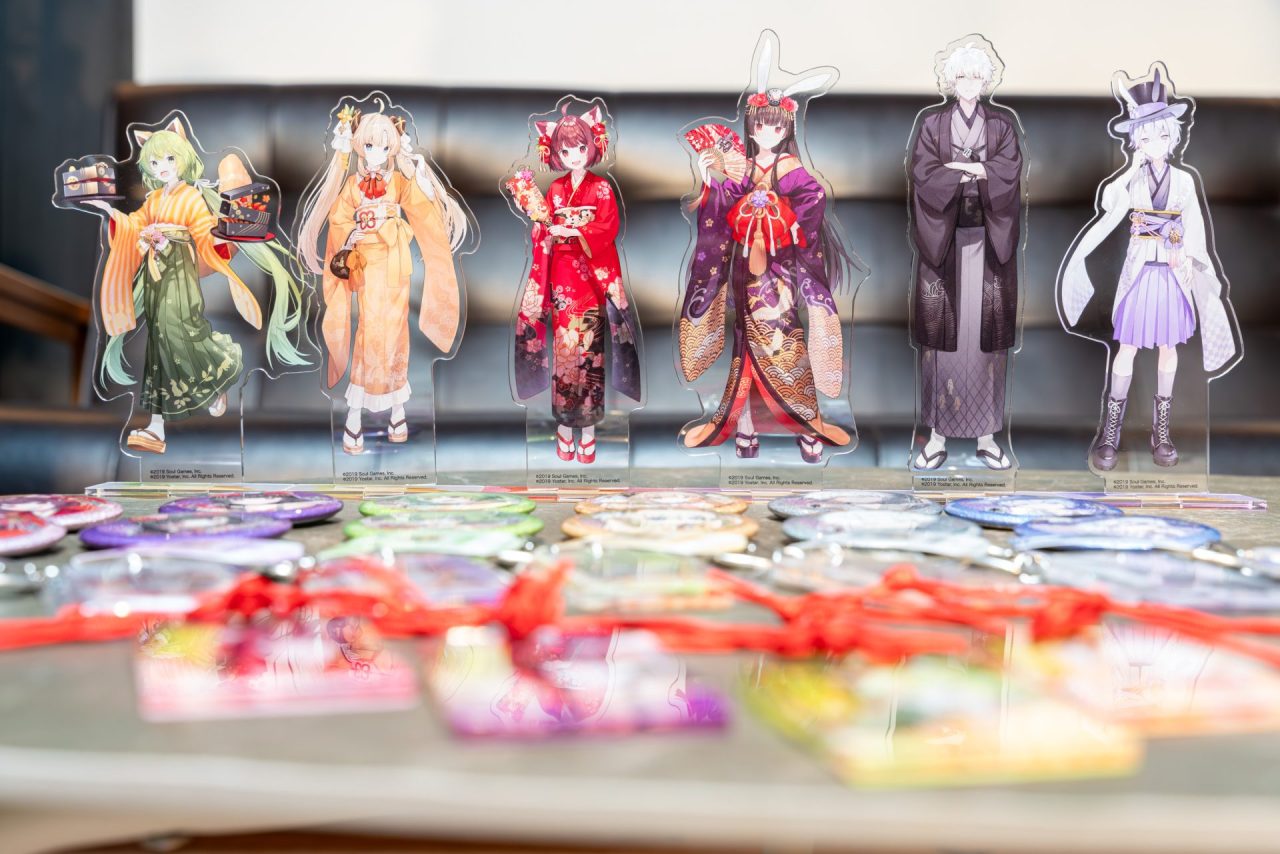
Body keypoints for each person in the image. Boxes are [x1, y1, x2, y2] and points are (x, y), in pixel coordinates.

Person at [908, 40, 1024, 472]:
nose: (970, 83)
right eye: (962, 76)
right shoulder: (932, 124)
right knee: (941, 341)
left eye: (977, 76)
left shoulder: (1002, 125)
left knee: (985, 341)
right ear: (950, 81)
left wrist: (966, 169)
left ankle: (987, 438)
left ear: (986, 80)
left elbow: (1008, 171)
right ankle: (936, 438)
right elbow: (923, 173)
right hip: (944, 244)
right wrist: (976, 172)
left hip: (988, 243)